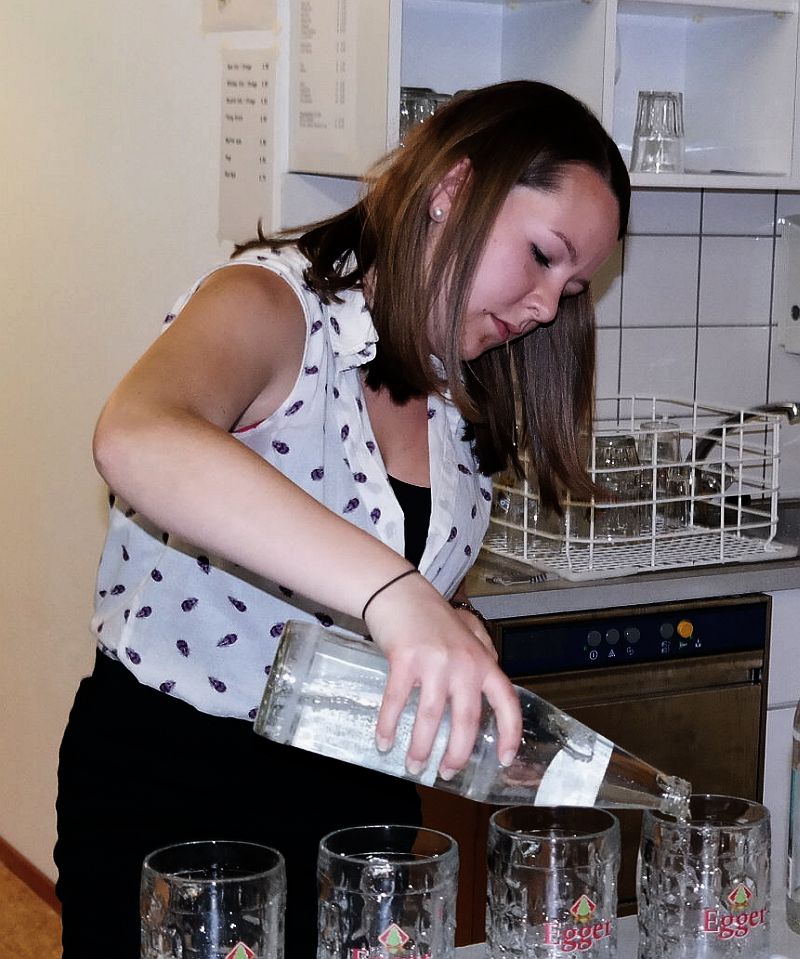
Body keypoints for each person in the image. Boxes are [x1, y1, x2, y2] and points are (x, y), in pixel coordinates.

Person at [54, 79, 630, 957]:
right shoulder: (270, 304)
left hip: (359, 801)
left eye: (575, 285)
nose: (547, 307)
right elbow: (137, 435)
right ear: (453, 190)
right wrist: (396, 597)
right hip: (175, 786)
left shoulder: (464, 388)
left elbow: (404, 567)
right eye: (542, 256)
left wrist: (448, 624)